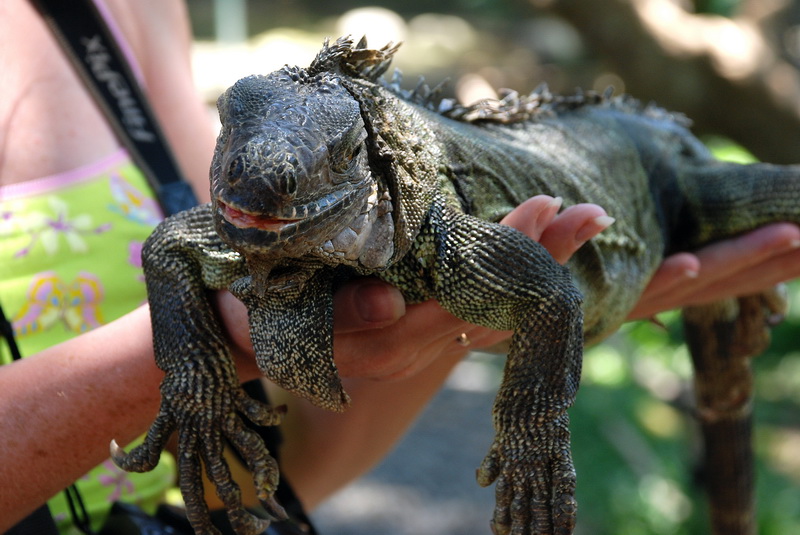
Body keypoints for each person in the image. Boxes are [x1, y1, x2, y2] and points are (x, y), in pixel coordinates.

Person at [3, 0, 800, 532]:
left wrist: (528, 432)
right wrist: (198, 377)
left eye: (326, 166)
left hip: (654, 170)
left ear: (372, 167)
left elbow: (547, 292)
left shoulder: (114, 14)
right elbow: (178, 245)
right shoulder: (263, 211)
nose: (251, 203)